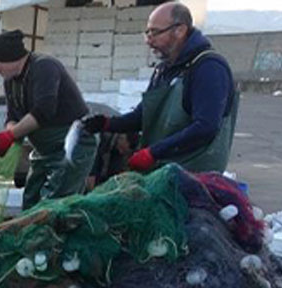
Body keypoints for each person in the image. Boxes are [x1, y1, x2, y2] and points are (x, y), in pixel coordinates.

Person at [82, 2, 236, 174]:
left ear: (180, 30)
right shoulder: (165, 69)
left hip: (193, 175)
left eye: (155, 33)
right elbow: (143, 116)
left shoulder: (208, 67)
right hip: (162, 169)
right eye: (147, 33)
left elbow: (205, 127)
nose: (149, 41)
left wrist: (153, 153)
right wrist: (107, 123)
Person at [0, 30, 96, 210]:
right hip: (44, 148)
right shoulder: (10, 80)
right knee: (31, 197)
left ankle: (56, 235)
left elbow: (43, 111)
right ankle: (30, 231)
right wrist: (10, 132)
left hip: (72, 143)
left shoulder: (44, 67)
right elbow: (12, 115)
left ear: (12, 58)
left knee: (56, 201)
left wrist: (11, 135)